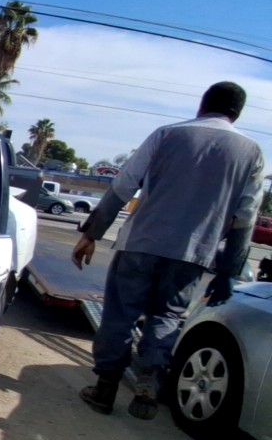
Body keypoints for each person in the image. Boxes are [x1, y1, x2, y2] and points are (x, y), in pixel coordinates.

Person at [71, 81, 264, 418]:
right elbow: (244, 219)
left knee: (120, 314)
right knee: (168, 316)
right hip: (193, 254)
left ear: (202, 104)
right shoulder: (252, 153)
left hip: (139, 245)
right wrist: (227, 272)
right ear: (237, 113)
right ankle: (147, 388)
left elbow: (122, 185)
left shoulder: (166, 135)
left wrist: (92, 233)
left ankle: (105, 388)